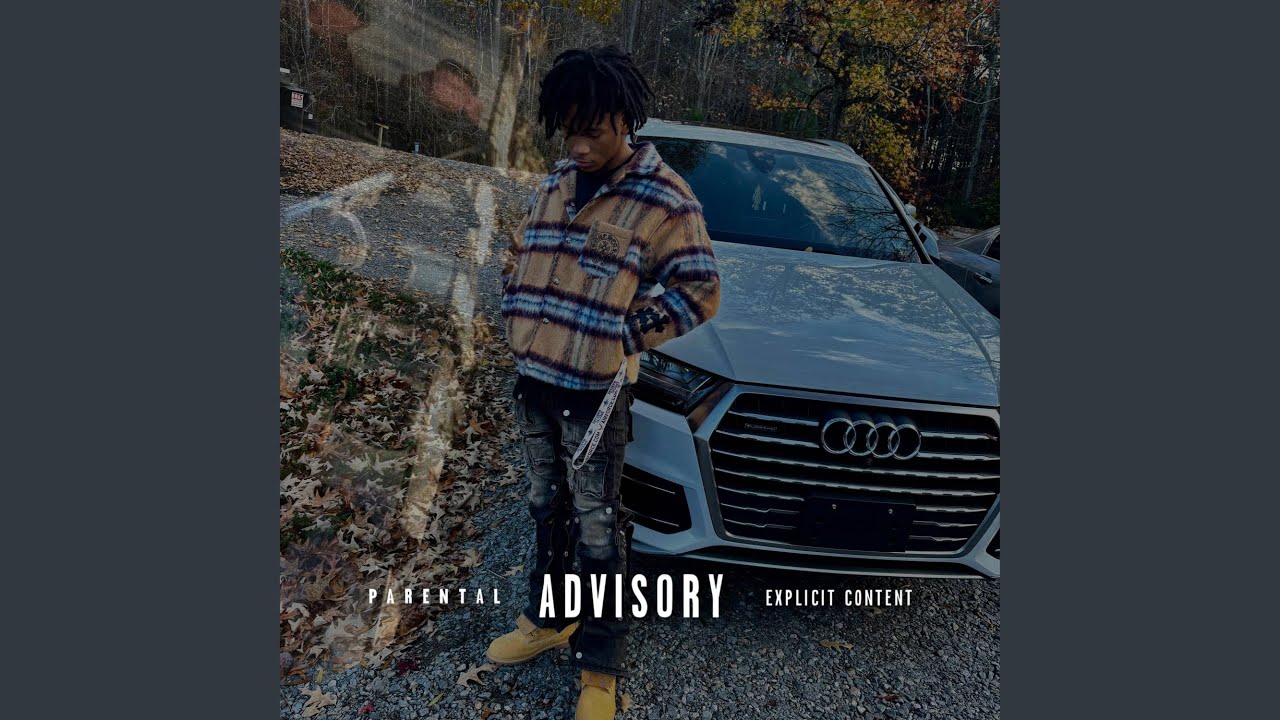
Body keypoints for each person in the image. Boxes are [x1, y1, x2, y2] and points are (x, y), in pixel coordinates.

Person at [489, 45, 721, 720]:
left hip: (594, 398)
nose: (579, 145)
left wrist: (621, 335)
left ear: (624, 120)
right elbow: (519, 250)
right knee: (544, 508)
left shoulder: (664, 199)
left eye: (591, 130)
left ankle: (601, 663)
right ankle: (549, 618)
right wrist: (515, 304)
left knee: (598, 529)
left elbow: (700, 290)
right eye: (568, 130)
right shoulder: (558, 182)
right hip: (534, 381)